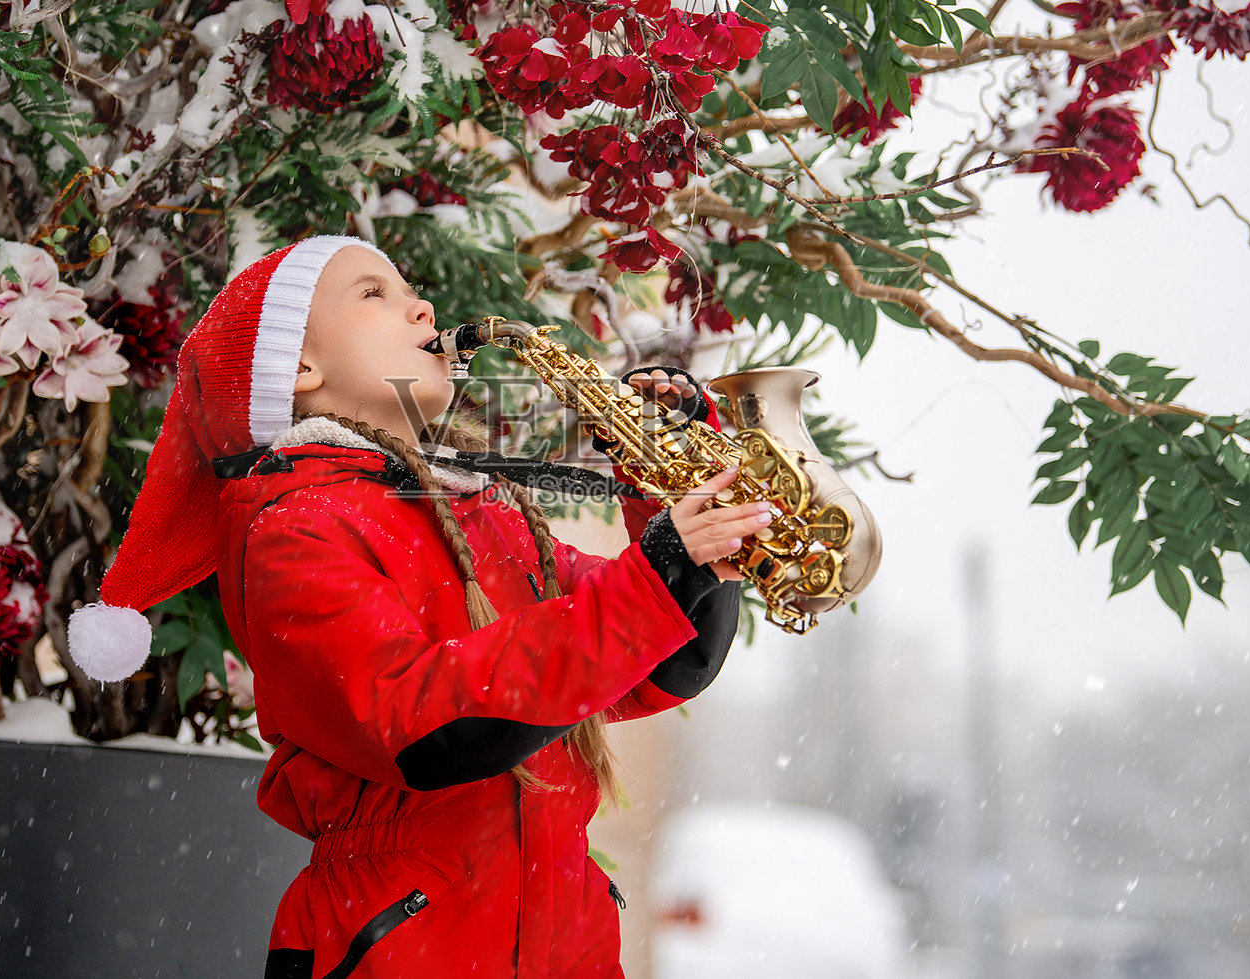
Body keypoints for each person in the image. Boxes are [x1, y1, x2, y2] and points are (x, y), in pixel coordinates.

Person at [67, 235, 771, 978]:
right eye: (374, 293)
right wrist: (656, 575)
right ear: (299, 366)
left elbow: (671, 661)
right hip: (404, 952)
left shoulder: (484, 515)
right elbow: (430, 729)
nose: (422, 305)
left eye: (409, 286)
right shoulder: (292, 528)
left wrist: (675, 507)